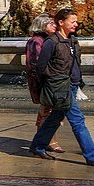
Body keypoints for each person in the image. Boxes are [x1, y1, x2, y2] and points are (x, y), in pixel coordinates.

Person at [30, 8, 94, 167]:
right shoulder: (51, 42)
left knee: (56, 118)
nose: (76, 24)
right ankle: (92, 156)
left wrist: (78, 81)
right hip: (61, 88)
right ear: (61, 22)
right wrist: (53, 83)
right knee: (78, 121)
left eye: (76, 21)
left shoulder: (73, 40)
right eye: (72, 21)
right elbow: (40, 67)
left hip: (72, 86)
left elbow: (75, 64)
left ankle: (37, 146)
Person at [24, 15, 65, 154]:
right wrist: (46, 81)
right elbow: (36, 64)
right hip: (43, 82)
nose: (55, 26)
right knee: (48, 111)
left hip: (45, 81)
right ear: (42, 26)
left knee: (45, 111)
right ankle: (49, 141)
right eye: (51, 24)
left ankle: (42, 140)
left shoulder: (43, 39)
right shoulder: (37, 41)